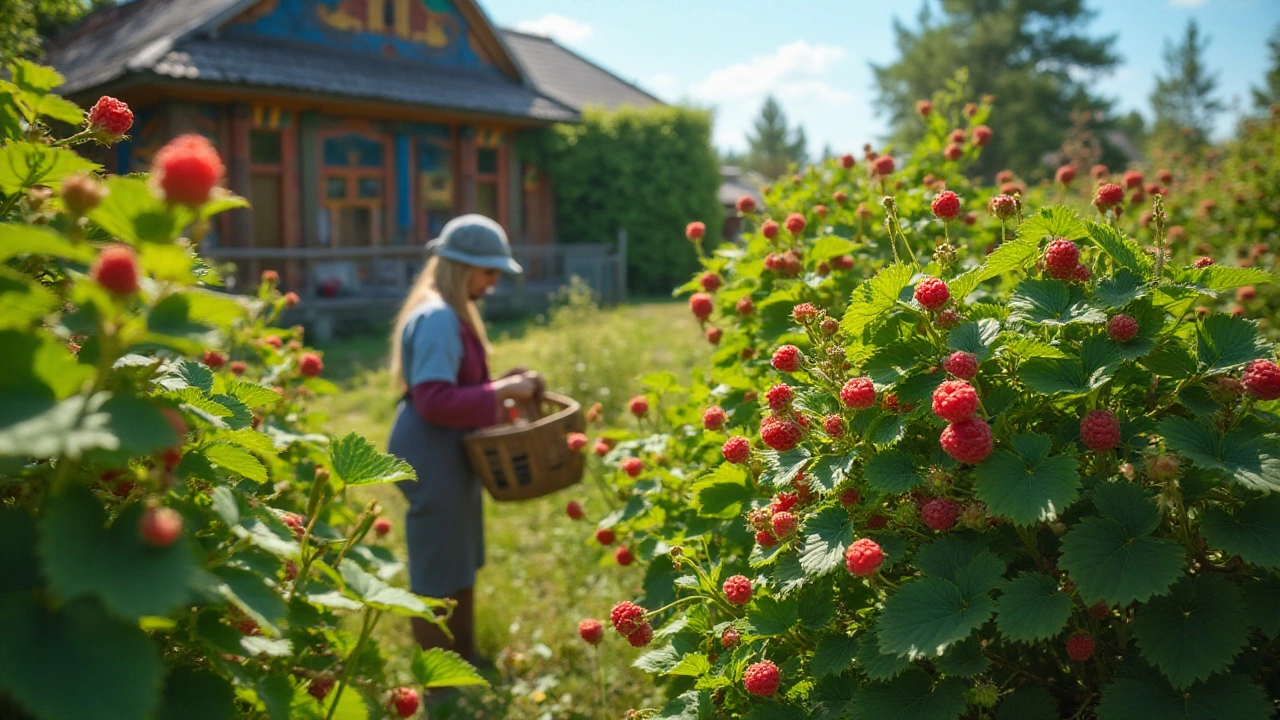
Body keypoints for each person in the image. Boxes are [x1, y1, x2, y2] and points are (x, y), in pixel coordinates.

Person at [387, 214, 544, 664]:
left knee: (458, 554)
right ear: (460, 266)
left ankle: (465, 655)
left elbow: (456, 383)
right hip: (430, 451)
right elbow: (435, 398)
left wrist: (503, 383)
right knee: (438, 563)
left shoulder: (449, 312)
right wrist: (500, 393)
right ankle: (439, 679)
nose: (492, 283)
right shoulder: (437, 316)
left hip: (449, 449)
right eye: (489, 272)